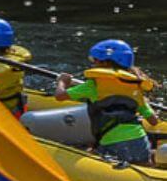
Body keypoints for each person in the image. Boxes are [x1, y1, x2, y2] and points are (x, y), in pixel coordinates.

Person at [54, 38, 158, 166]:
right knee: (143, 165)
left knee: (87, 150)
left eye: (94, 60)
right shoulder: (135, 87)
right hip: (139, 141)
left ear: (104, 62)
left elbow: (59, 96)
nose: (93, 64)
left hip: (112, 143)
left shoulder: (94, 85)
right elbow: (153, 121)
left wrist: (63, 81)